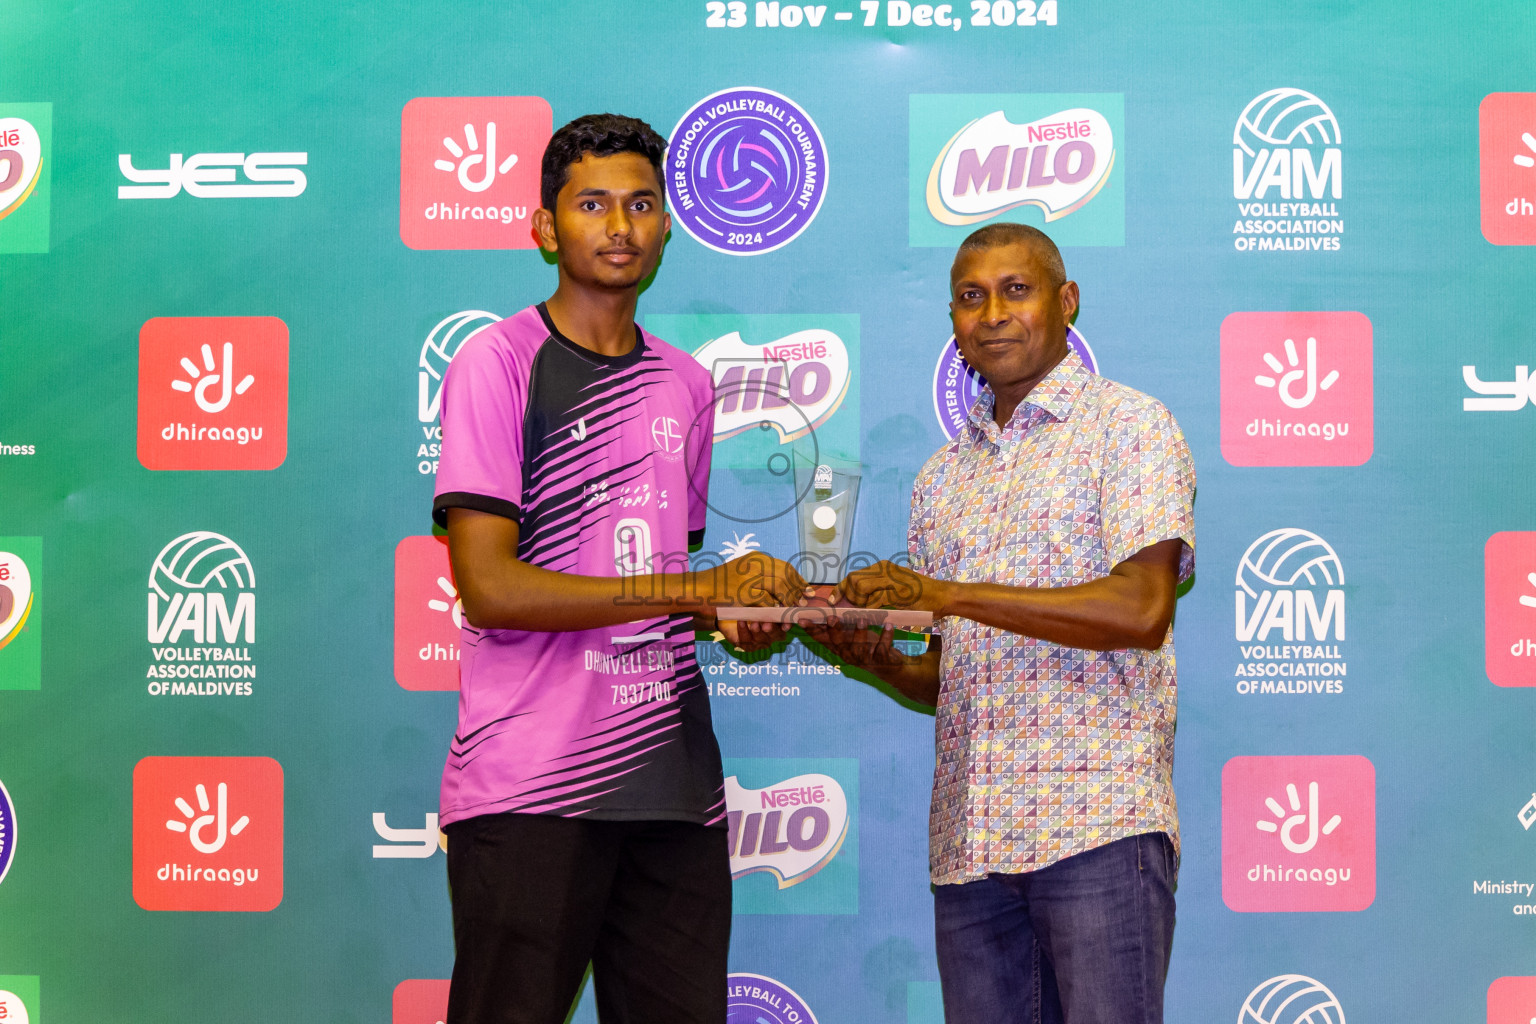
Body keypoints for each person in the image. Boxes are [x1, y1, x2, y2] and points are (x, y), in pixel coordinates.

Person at [431, 113, 804, 1024]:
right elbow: (493, 586)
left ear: (668, 224)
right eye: (592, 204)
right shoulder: (500, 362)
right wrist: (699, 591)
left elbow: (652, 583)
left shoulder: (686, 382)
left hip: (673, 788)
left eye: (641, 204)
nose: (620, 226)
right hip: (528, 786)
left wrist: (739, 612)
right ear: (546, 228)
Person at [809, 223, 1195, 1024]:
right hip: (971, 848)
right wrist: (866, 651)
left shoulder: (1131, 427)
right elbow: (949, 672)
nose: (992, 314)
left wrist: (944, 593)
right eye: (970, 297)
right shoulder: (941, 476)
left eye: (1015, 290)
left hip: (1098, 828)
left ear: (1067, 302)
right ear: (952, 322)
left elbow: (1142, 609)